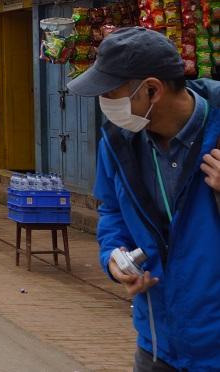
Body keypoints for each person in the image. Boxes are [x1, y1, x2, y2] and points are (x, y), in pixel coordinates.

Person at [67, 26, 220, 371]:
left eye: (111, 92)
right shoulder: (117, 142)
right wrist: (113, 256)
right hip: (157, 345)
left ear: (152, 89)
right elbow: (112, 211)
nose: (104, 102)